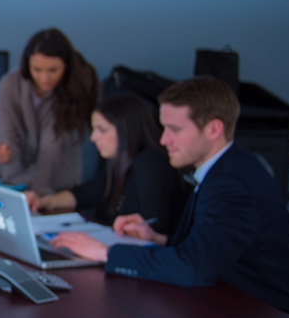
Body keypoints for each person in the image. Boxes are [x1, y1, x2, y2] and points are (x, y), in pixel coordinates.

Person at [51, 77, 289, 314]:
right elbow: (213, 248)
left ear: (214, 129)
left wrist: (104, 252)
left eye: (174, 129)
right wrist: (158, 239)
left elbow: (193, 268)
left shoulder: (232, 183)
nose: (163, 139)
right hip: (229, 296)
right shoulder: (227, 168)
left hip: (261, 311)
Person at [25, 93, 187, 234]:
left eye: (102, 130)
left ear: (126, 130)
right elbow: (86, 194)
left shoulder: (150, 162)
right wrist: (43, 201)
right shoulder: (115, 162)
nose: (93, 137)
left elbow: (154, 226)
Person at [0, 28, 100, 195]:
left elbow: (51, 147)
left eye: (53, 70)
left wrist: (40, 191)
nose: (44, 78)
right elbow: (6, 130)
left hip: (58, 185)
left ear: (66, 66)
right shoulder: (10, 84)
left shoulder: (74, 90)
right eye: (37, 69)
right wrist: (7, 152)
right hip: (15, 182)